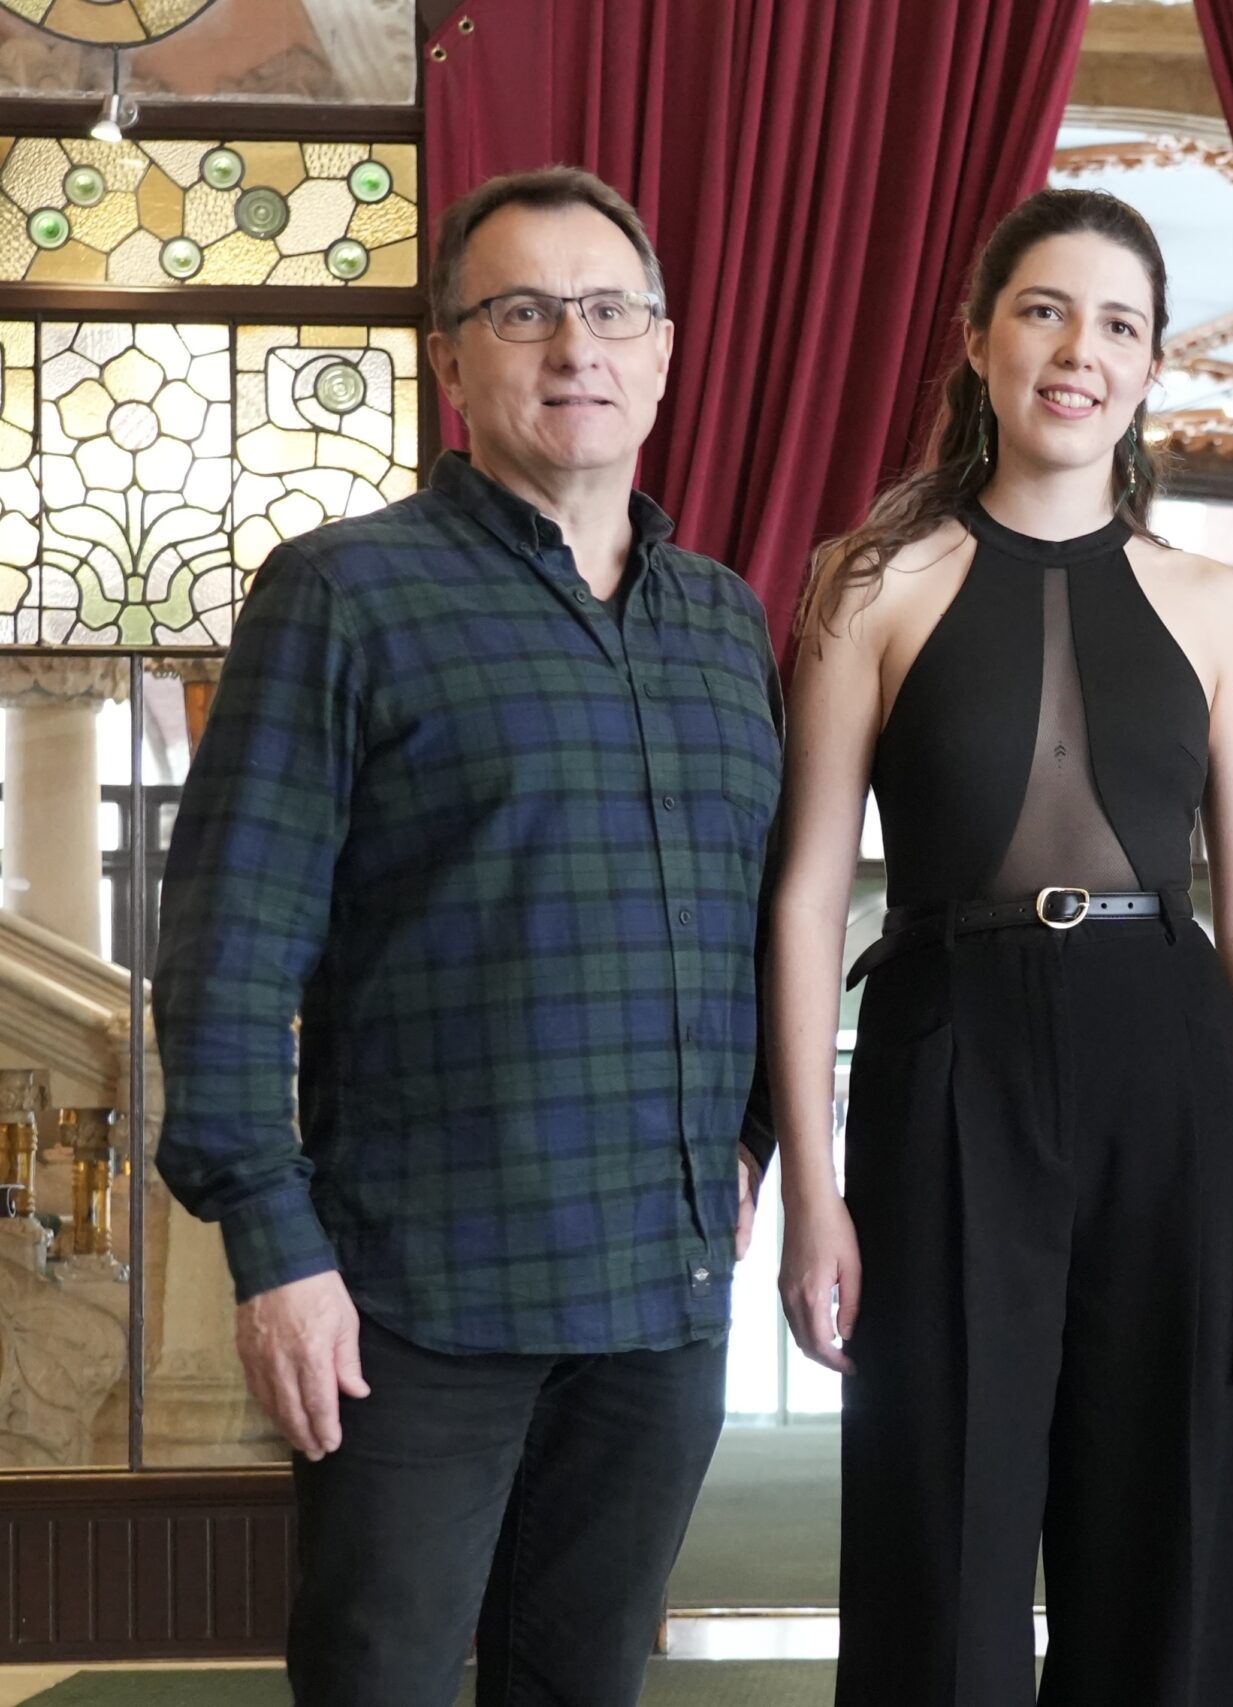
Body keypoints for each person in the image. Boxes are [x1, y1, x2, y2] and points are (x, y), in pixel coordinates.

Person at [153, 166, 780, 1706]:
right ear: (450, 357)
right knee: (378, 1680)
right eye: (523, 312)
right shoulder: (343, 595)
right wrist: (276, 1255)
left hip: (662, 1297)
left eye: (610, 310)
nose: (575, 346)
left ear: (663, 351)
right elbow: (227, 952)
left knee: (583, 1682)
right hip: (415, 1302)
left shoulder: (723, 620)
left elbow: (760, 914)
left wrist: (753, 1136)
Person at [768, 187, 1233, 1707]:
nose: (1080, 350)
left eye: (1119, 325)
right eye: (1044, 310)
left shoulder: (1213, 603)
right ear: (978, 340)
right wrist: (810, 1192)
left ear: (1150, 368)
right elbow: (807, 894)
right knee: (938, 1523)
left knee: (1175, 1535)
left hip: (1173, 1068)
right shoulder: (867, 581)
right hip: (948, 1056)